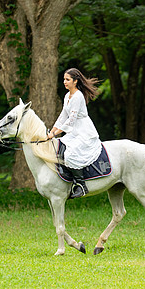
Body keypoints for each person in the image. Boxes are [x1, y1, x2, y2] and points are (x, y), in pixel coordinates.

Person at [46, 68, 103, 198]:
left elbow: (71, 120)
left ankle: (81, 185)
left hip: (84, 131)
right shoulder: (67, 96)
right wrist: (52, 130)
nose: (64, 82)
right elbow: (62, 116)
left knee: (70, 154)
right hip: (73, 132)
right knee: (60, 147)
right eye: (64, 79)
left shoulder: (78, 96)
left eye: (67, 79)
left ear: (75, 81)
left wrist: (54, 134)